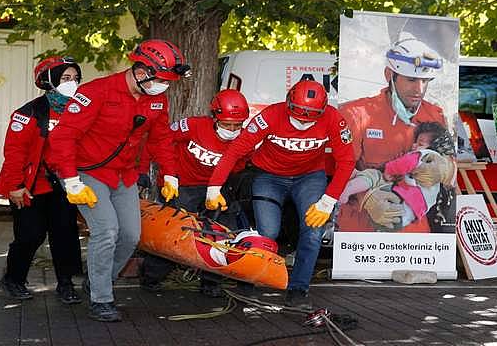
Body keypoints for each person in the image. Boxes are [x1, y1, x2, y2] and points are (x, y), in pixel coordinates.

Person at [47, 39, 189, 322]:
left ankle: (97, 280)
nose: (163, 86)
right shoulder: (96, 92)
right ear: (140, 71)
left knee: (130, 235)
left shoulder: (157, 98)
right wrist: (71, 180)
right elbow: (63, 137)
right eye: (160, 79)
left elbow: (161, 138)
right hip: (86, 172)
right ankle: (101, 298)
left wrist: (170, 173)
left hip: (123, 174)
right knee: (107, 230)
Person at [205, 80, 355, 310]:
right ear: (288, 105)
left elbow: (346, 161)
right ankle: (248, 281)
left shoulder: (334, 119)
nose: (303, 122)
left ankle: (298, 289)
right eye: (298, 117)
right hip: (269, 176)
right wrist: (214, 187)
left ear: (323, 111)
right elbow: (237, 149)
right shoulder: (271, 115)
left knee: (313, 233)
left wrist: (328, 201)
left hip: (310, 177)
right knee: (267, 232)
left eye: (310, 119)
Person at [139, 89, 251, 295]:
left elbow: (239, 166)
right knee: (175, 231)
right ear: (215, 117)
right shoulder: (193, 126)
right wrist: (146, 170)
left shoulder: (243, 139)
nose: (232, 129)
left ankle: (211, 281)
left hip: (214, 188)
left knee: (223, 232)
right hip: (181, 185)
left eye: (237, 125)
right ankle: (151, 275)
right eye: (227, 124)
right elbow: (159, 140)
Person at [337, 34, 447, 232]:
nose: (419, 89)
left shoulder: (435, 115)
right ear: (390, 75)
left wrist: (447, 169)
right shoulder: (356, 113)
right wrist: (367, 198)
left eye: (425, 81)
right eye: (412, 80)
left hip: (416, 236)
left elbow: (450, 162)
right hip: (361, 233)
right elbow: (337, 168)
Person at [0, 56, 84, 304]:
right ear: (49, 81)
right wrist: (15, 186)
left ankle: (65, 284)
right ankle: (13, 279)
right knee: (30, 235)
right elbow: (14, 153)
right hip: (29, 185)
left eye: (75, 78)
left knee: (65, 234)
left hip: (64, 184)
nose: (72, 83)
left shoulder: (79, 111)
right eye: (66, 78)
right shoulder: (29, 112)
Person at [340, 122, 454, 232]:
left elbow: (402, 164)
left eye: (420, 144)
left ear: (433, 148)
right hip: (407, 216)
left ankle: (350, 187)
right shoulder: (439, 169)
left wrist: (389, 170)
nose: (414, 146)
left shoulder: (424, 154)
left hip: (397, 201)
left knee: (375, 176)